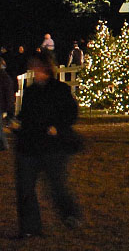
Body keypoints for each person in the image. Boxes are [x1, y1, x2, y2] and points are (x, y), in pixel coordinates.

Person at [12, 52, 83, 239]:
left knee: (56, 186)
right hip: (29, 145)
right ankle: (30, 228)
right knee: (25, 188)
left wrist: (58, 127)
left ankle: (70, 214)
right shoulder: (30, 91)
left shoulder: (60, 89)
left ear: (45, 68)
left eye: (36, 67)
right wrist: (17, 124)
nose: (34, 71)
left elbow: (71, 113)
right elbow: (25, 115)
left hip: (53, 147)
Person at [0, 57, 15, 151]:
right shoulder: (5, 77)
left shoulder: (4, 77)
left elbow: (8, 93)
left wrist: (8, 107)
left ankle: (4, 144)